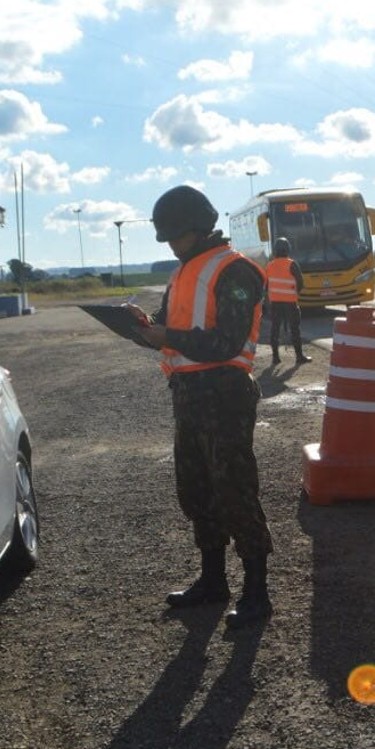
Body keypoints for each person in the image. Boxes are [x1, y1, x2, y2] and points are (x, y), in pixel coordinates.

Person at [130, 185, 275, 628]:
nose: (172, 245)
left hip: (225, 395)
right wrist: (142, 325)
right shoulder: (184, 272)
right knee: (196, 491)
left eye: (176, 236)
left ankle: (257, 591)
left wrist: (166, 336)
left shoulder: (237, 271)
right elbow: (168, 323)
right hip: (188, 395)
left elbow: (226, 342)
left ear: (198, 228)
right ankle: (213, 580)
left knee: (235, 489)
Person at [264, 237, 311, 366]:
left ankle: (275, 358)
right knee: (295, 330)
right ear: (288, 249)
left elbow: (266, 285)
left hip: (275, 303)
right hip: (290, 303)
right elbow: (300, 282)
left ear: (275, 250)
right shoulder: (292, 264)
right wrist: (294, 293)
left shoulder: (269, 265)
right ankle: (299, 357)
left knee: (275, 330)